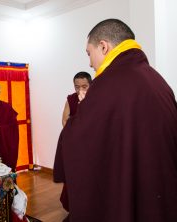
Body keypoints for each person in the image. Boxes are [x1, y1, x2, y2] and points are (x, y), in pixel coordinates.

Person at [54, 18, 177, 222]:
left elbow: (77, 138)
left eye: (89, 53)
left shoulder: (107, 83)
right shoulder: (157, 80)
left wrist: (82, 110)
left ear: (103, 47)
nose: (89, 63)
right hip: (160, 188)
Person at [60, 71, 92, 218]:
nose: (80, 90)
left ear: (91, 85)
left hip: (92, 146)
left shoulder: (96, 97)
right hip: (75, 145)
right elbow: (65, 121)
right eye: (77, 87)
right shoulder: (71, 99)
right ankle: (75, 208)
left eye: (84, 86)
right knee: (74, 179)